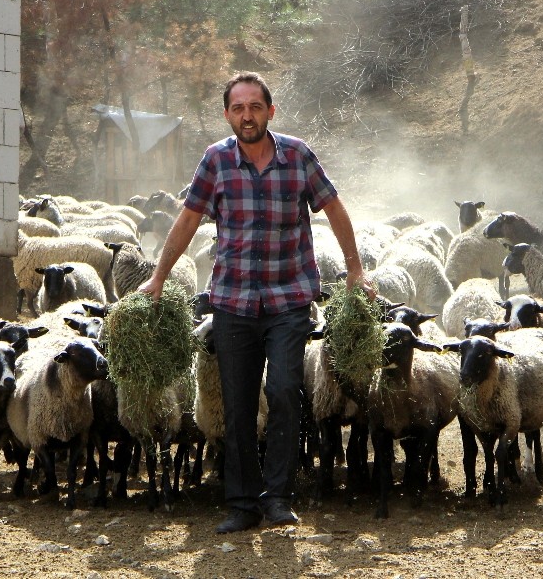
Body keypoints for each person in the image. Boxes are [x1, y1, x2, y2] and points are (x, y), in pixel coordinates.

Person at [138, 72, 374, 533]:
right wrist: (158, 277)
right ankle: (242, 503)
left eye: (255, 107)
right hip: (234, 302)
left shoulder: (298, 156)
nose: (247, 116)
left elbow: (334, 207)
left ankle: (278, 496)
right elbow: (188, 219)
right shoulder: (216, 160)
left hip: (288, 299)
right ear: (228, 115)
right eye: (238, 108)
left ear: (270, 111)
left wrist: (355, 269)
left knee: (284, 390)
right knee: (238, 402)